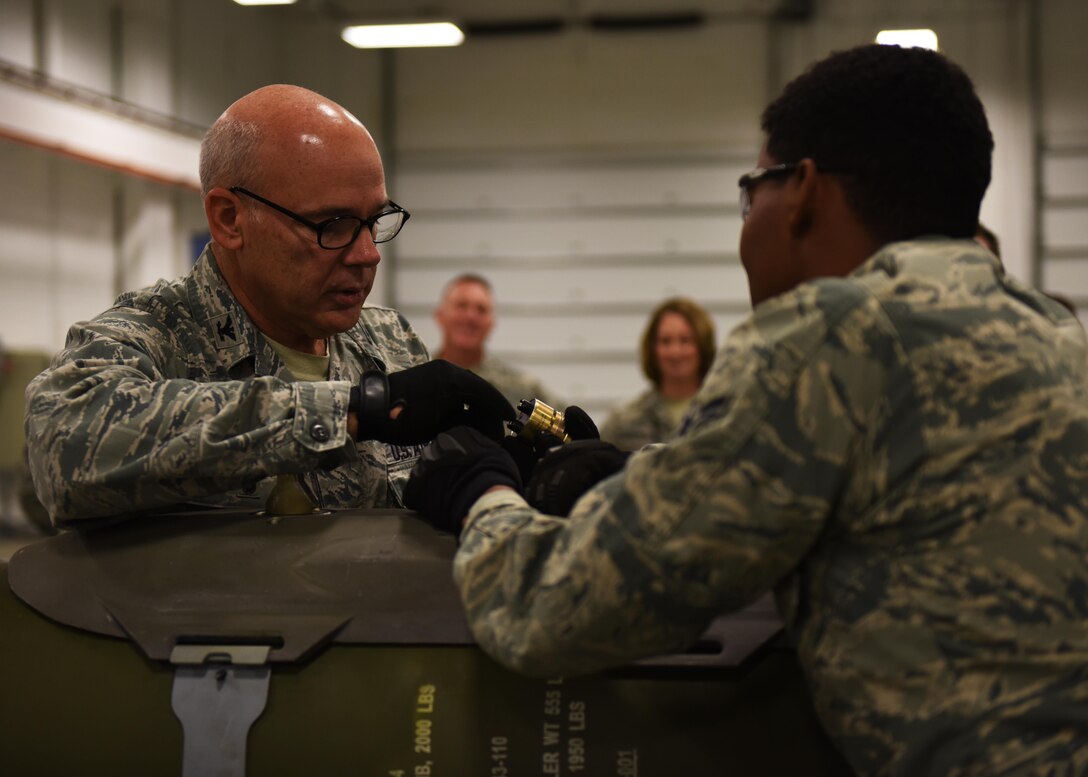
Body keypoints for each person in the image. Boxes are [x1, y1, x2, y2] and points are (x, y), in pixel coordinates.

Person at [406, 44, 1088, 775]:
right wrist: (641, 473)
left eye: (749, 191)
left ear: (802, 191)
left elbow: (550, 608)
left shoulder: (829, 334)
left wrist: (484, 489)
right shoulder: (1052, 333)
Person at [24, 84, 512, 527]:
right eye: (333, 224)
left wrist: (519, 481)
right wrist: (356, 411)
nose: (367, 254)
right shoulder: (154, 338)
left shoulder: (389, 344)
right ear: (230, 218)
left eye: (375, 220)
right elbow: (64, 449)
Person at [599, 297, 715, 450]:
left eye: (685, 340)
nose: (675, 352)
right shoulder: (623, 423)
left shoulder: (724, 414)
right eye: (665, 341)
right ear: (653, 349)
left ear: (702, 346)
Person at [433, 273, 559, 406]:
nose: (470, 317)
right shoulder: (418, 381)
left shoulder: (523, 389)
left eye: (481, 310)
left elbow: (565, 423)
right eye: (461, 306)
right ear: (440, 316)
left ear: (491, 324)